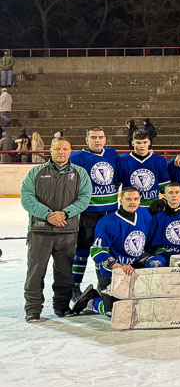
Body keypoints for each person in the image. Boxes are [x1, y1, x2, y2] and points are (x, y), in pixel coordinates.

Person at [20, 137, 92, 321]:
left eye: (65, 149)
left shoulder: (80, 174)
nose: (61, 152)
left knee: (64, 273)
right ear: (50, 151)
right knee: (35, 273)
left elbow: (84, 198)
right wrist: (48, 214)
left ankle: (62, 307)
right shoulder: (36, 172)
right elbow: (27, 198)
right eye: (57, 149)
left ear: (70, 151)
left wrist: (65, 214)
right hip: (40, 231)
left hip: (67, 232)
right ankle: (33, 310)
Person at [69, 126, 120, 294]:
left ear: (105, 139)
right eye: (93, 137)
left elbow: (119, 178)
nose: (97, 140)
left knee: (107, 248)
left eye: (100, 137)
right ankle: (75, 286)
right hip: (88, 212)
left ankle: (104, 283)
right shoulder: (77, 157)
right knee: (83, 248)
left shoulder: (112, 154)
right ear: (87, 140)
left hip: (111, 212)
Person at [89, 187, 153, 291]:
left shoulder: (144, 214)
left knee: (156, 262)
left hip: (133, 264)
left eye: (136, 199)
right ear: (121, 201)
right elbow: (97, 250)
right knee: (116, 306)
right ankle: (93, 301)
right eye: (128, 199)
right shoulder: (107, 222)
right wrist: (118, 266)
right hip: (113, 268)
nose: (132, 202)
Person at [145, 182, 180, 265]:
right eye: (170, 193)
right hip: (163, 255)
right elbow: (149, 241)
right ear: (165, 196)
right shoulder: (157, 216)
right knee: (154, 264)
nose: (174, 195)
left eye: (177, 192)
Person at [115, 130, 170, 207]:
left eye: (144, 142)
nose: (142, 146)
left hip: (152, 206)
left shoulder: (159, 160)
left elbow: (165, 187)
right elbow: (116, 184)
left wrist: (164, 201)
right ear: (132, 143)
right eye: (138, 143)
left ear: (149, 142)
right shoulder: (123, 160)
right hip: (130, 206)